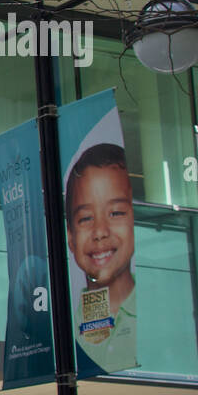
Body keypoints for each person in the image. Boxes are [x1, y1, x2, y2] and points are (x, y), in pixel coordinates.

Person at [64, 142, 137, 373]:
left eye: (115, 213)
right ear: (70, 238)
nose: (100, 232)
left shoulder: (159, 313)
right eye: (85, 218)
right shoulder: (62, 332)